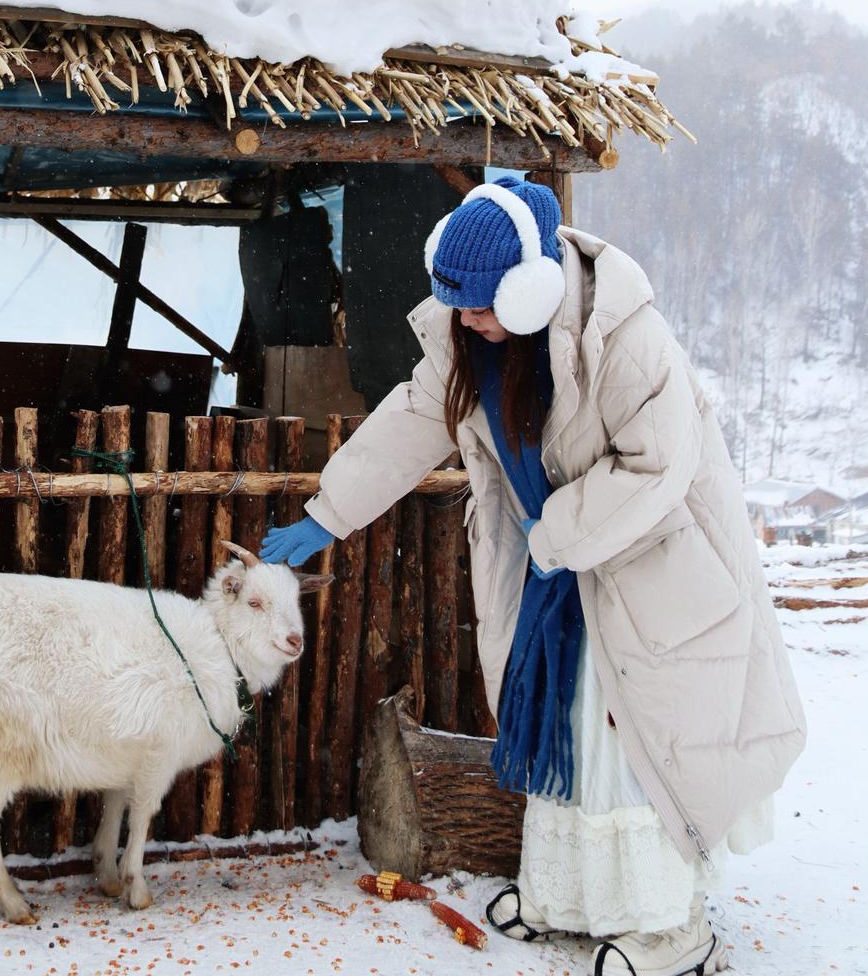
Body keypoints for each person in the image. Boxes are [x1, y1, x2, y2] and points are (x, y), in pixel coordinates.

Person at [259, 176, 806, 976]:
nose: (466, 318)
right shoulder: (475, 342)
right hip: (563, 576)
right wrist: (329, 511)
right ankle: (567, 897)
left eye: (479, 303)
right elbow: (415, 418)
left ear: (530, 290)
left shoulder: (624, 336)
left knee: (637, 742)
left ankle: (666, 923)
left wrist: (554, 535)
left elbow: (657, 466)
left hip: (651, 572)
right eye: (455, 303)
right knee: (566, 728)